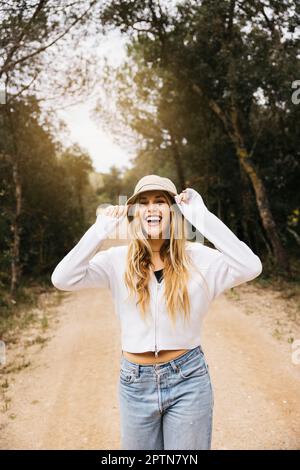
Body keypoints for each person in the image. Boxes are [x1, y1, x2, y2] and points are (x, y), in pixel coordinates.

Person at [51, 174, 262, 450]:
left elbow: (250, 266)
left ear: (174, 211)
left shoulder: (198, 259)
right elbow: (62, 278)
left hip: (189, 381)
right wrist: (100, 230)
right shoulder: (117, 261)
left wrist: (201, 216)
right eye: (144, 203)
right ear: (135, 213)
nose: (151, 208)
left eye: (160, 202)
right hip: (135, 384)